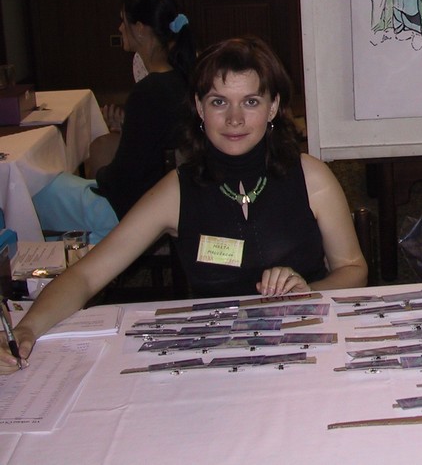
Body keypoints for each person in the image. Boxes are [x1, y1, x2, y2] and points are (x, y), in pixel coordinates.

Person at [2, 37, 368, 372]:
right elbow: (85, 276)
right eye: (219, 102)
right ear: (199, 107)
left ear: (273, 107)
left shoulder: (311, 177)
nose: (235, 119)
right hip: (218, 360)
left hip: (309, 344)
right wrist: (27, 329)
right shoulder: (177, 191)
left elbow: (353, 269)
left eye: (251, 102)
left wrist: (309, 292)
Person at [33, 0, 196, 243]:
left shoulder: (149, 90)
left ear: (140, 29)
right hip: (154, 197)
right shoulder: (180, 78)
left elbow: (124, 176)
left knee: (36, 191)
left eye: (123, 21)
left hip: (131, 207)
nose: (120, 28)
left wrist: (99, 173)